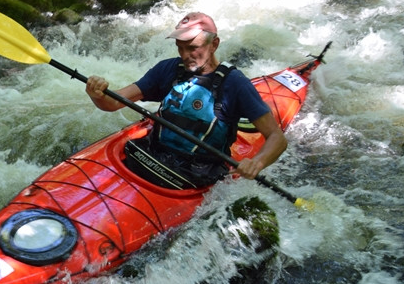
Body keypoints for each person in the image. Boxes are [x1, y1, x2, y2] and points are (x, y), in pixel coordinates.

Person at [85, 12, 287, 188]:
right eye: (180, 48)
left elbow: (277, 139)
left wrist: (257, 163)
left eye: (193, 47)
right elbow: (113, 103)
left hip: (198, 173)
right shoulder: (168, 69)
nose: (185, 55)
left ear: (214, 44)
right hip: (153, 157)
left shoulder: (235, 84)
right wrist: (97, 95)